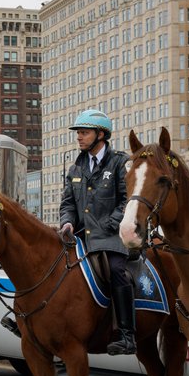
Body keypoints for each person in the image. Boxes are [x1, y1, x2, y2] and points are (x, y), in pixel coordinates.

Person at [57, 108, 136, 355]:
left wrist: (110, 223)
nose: (79, 137)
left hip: (111, 237)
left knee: (116, 270)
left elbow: (128, 200)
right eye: (78, 133)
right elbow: (68, 203)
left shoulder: (121, 163)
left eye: (84, 133)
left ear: (101, 135)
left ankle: (126, 334)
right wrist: (67, 223)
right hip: (80, 237)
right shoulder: (75, 169)